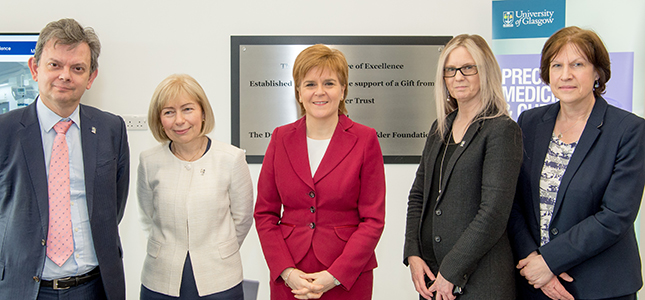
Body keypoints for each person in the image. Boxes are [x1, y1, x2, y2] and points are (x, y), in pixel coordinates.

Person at [509, 26, 645, 300]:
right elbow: (512, 201)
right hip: (534, 283)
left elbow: (615, 216)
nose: (565, 75)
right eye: (556, 65)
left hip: (601, 286)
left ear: (598, 72)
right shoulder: (529, 122)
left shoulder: (628, 130)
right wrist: (531, 259)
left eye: (577, 64)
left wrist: (549, 261)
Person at [0, 18, 129, 300]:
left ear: (91, 77)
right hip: (24, 289)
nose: (65, 75)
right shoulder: (4, 131)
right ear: (35, 69)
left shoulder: (111, 129)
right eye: (54, 64)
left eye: (77, 68)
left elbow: (113, 208)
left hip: (94, 287)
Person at [254, 44, 386, 300]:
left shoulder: (365, 139)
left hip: (347, 277)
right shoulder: (280, 138)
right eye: (310, 84)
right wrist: (286, 271)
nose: (320, 92)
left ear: (343, 89)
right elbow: (265, 213)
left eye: (329, 83)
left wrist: (334, 275)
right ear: (299, 92)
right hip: (291, 278)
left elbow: (373, 220)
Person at [403, 34, 522, 300]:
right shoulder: (440, 128)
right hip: (433, 278)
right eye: (450, 70)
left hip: (481, 282)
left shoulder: (502, 130)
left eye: (468, 68)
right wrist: (413, 253)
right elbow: (418, 195)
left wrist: (451, 272)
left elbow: (493, 214)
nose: (458, 77)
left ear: (486, 71)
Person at [137, 74, 253, 300]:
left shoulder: (231, 158)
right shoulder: (149, 161)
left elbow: (242, 218)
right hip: (160, 281)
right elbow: (147, 216)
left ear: (203, 112)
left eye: (187, 109)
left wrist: (219, 252)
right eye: (169, 112)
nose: (179, 120)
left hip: (221, 280)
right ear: (160, 120)